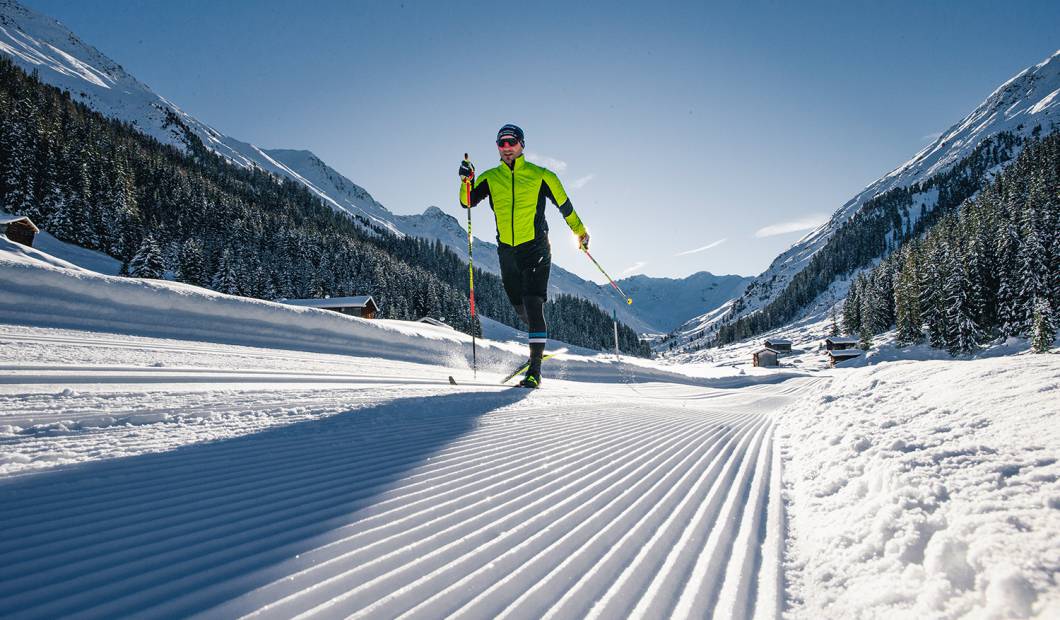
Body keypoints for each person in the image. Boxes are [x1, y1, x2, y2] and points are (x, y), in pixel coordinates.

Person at [459, 123, 589, 388]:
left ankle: (535, 370)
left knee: (532, 302)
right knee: (518, 304)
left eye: (512, 142)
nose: (507, 148)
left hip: (536, 247)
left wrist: (580, 232)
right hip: (507, 250)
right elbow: (467, 202)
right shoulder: (490, 177)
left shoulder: (542, 175)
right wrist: (466, 182)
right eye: (502, 143)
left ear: (522, 145)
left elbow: (565, 206)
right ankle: (537, 340)